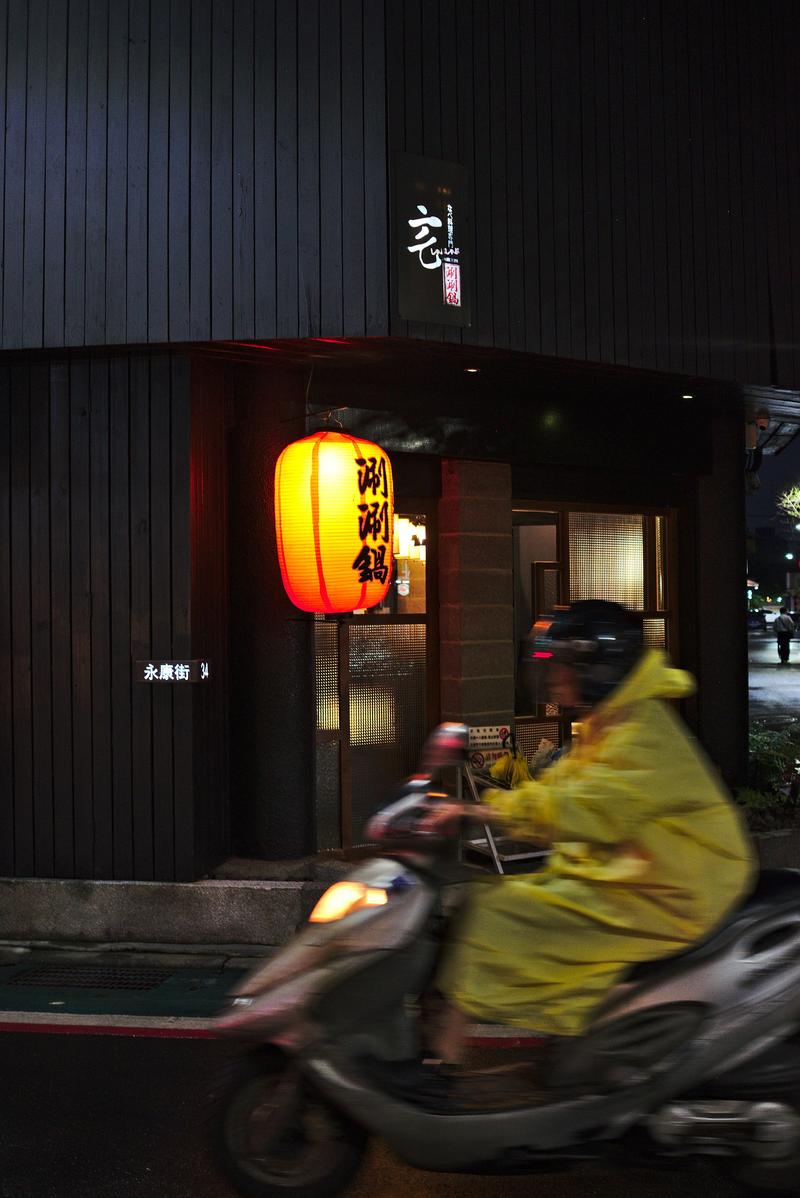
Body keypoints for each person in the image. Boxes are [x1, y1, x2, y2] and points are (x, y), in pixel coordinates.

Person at [430, 600, 755, 1064]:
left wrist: (486, 813)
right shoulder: (617, 719)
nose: (555, 680)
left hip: (672, 891)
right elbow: (569, 788)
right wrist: (496, 802)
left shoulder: (640, 732)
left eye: (562, 668)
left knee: (499, 912)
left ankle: (445, 1060)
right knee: (493, 902)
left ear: (598, 668)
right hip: (637, 874)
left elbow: (584, 807)